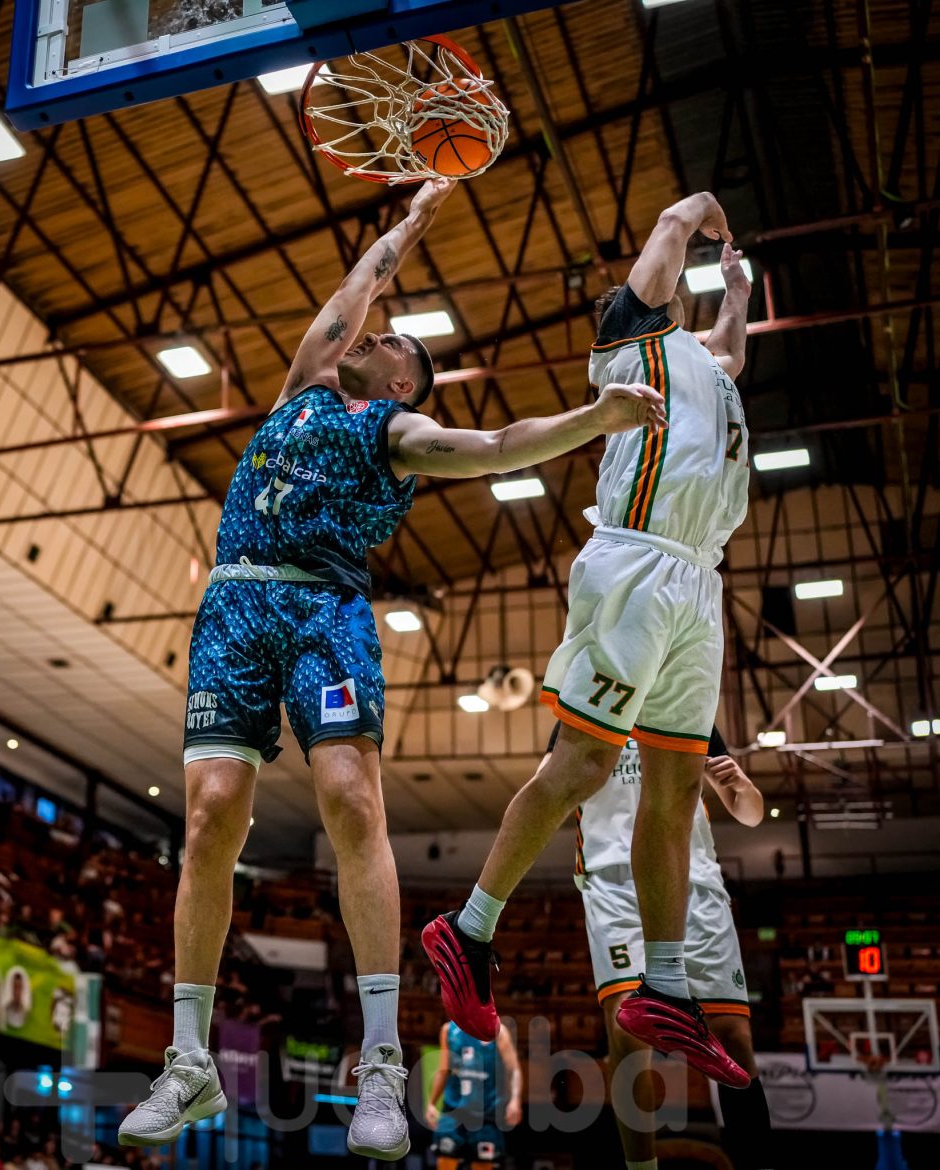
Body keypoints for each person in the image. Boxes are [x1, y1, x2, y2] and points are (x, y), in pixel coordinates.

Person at [117, 176, 667, 1159]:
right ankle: (190, 1064)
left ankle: (379, 1067)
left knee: (352, 800)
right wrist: (410, 222)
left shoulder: (393, 433)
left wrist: (593, 420)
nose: (363, 338)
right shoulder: (300, 390)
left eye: (384, 344)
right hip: (235, 604)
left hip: (327, 609)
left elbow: (497, 443)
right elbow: (350, 299)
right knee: (207, 817)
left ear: (401, 385)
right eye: (362, 335)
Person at [423, 191, 753, 1088]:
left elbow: (731, 354)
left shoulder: (700, 361)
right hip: (637, 563)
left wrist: (738, 290)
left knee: (676, 788)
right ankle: (470, 928)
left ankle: (668, 986)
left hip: (698, 578)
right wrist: (705, 213)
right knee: (584, 768)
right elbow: (674, 224)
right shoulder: (634, 333)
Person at [551, 723, 774, 1170]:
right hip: (615, 882)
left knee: (734, 1039)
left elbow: (750, 813)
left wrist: (742, 786)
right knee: (628, 1032)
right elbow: (551, 795)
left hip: (695, 882)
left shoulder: (689, 704)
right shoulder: (585, 701)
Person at [425, 1022, 522, 1169]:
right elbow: (444, 1070)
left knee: (482, 1165)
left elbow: (514, 1070)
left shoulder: (498, 1031)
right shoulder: (448, 1029)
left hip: (487, 1113)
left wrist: (515, 1099)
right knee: (445, 1161)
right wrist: (431, 1103)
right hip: (453, 1110)